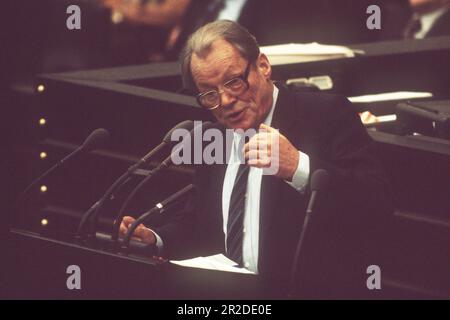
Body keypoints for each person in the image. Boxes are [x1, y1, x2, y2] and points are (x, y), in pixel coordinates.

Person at [120, 20, 392, 298]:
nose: (225, 101)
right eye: (210, 93)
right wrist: (157, 239)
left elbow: (376, 206)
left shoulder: (325, 115)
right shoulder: (215, 136)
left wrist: (298, 166)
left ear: (262, 65)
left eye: (234, 82)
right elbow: (201, 223)